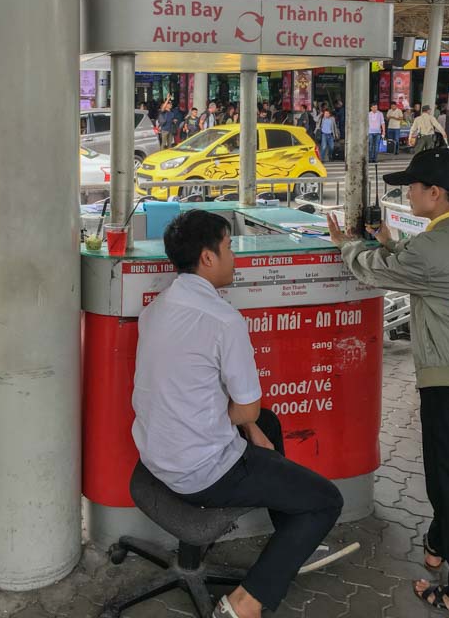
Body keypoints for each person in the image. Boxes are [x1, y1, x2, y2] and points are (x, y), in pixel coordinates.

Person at [327, 148, 449, 618]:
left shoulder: (429, 249)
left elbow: (373, 271)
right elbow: (429, 267)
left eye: (411, 185)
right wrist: (391, 243)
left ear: (434, 193)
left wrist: (345, 244)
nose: (405, 192)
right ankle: (436, 543)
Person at [132, 211, 346, 618]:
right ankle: (242, 605)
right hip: (202, 471)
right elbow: (244, 405)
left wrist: (250, 427)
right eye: (229, 248)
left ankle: (291, 543)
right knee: (324, 501)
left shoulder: (157, 308)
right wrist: (242, 423)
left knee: (266, 423)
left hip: (155, 453)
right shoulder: (222, 320)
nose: (235, 258)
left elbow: (247, 415)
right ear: (207, 258)